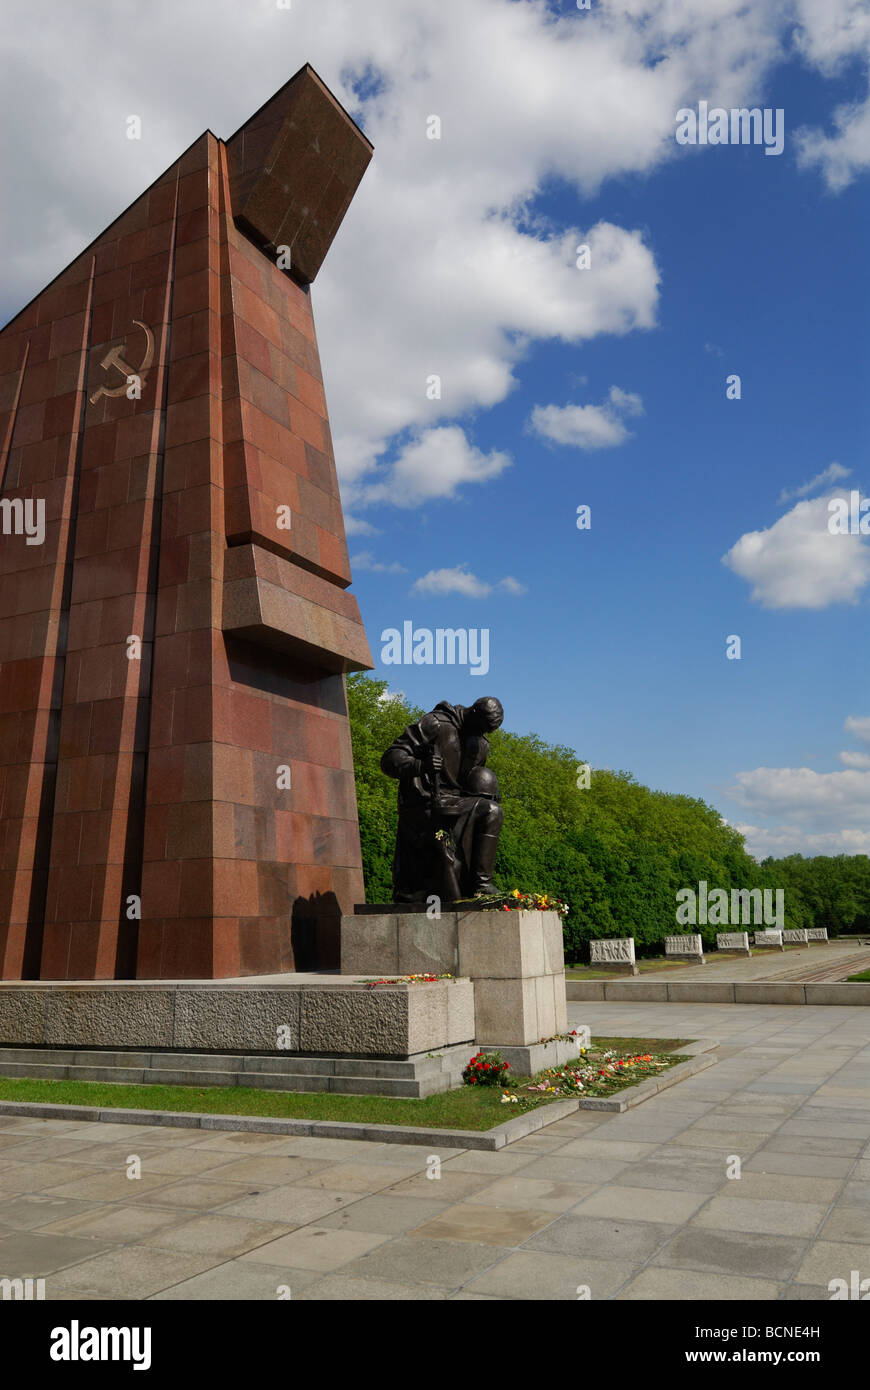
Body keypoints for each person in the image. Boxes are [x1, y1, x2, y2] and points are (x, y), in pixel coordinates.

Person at [380, 697, 505, 902]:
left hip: (457, 803)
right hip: (424, 804)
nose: (481, 735)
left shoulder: (480, 743)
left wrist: (487, 789)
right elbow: (389, 760)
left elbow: (470, 782)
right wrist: (420, 766)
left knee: (492, 810)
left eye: (486, 732)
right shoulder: (436, 724)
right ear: (472, 712)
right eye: (480, 728)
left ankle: (481, 884)